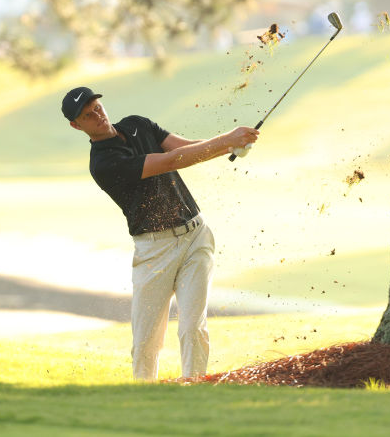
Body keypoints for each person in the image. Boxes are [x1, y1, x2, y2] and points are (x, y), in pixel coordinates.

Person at [61, 86, 259, 380]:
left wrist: (228, 147)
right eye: (88, 115)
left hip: (195, 236)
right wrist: (227, 139)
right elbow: (171, 161)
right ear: (76, 125)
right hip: (155, 250)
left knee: (193, 326)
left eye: (97, 107)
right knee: (146, 342)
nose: (98, 115)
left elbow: (185, 146)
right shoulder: (103, 163)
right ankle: (145, 398)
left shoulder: (137, 124)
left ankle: (195, 390)